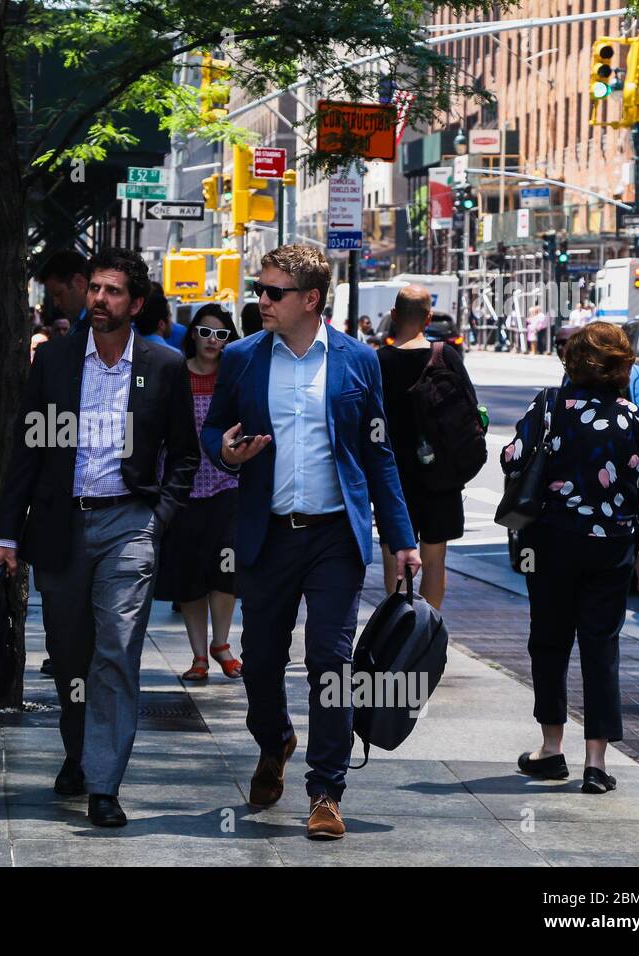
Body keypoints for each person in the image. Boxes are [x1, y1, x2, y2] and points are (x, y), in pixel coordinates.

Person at [201, 243, 419, 840]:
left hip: (333, 537)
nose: (261, 301)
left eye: (274, 292)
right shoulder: (243, 358)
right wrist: (224, 450)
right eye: (260, 290)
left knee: (331, 659)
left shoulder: (357, 361)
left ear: (311, 299)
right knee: (262, 663)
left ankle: (326, 790)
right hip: (267, 534)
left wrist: (402, 537)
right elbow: (215, 429)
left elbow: (378, 453)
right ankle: (274, 742)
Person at [0, 247, 199, 828]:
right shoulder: (55, 360)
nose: (100, 300)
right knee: (71, 656)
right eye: (96, 289)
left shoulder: (163, 365)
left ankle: (105, 783)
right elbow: (26, 450)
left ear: (135, 304)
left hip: (129, 523)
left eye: (113, 292)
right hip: (61, 525)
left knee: (118, 648)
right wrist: (6, 533)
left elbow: (184, 454)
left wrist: (158, 518)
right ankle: (78, 753)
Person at [503, 321, 639, 794]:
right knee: (601, 647)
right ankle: (596, 762)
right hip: (610, 547)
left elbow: (513, 459)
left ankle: (551, 749)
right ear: (620, 366)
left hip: (550, 543)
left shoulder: (548, 406)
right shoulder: (632, 417)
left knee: (549, 640)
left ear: (572, 360)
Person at [154, 304, 241, 681]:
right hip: (182, 490)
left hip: (227, 487)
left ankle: (221, 644)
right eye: (205, 332)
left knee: (225, 571)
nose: (212, 341)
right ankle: (199, 656)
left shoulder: (234, 377)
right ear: (193, 335)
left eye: (221, 335)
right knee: (189, 577)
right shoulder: (174, 373)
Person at [376, 286, 477, 608]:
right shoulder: (445, 356)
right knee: (435, 560)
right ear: (428, 318)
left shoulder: (379, 361)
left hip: (394, 480)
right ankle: (429, 630)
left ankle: (398, 628)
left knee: (395, 558)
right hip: (440, 477)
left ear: (394, 316)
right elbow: (472, 411)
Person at [35, 250, 90, 334]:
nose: (56, 303)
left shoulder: (95, 329)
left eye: (58, 294)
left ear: (79, 283)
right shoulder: (81, 324)